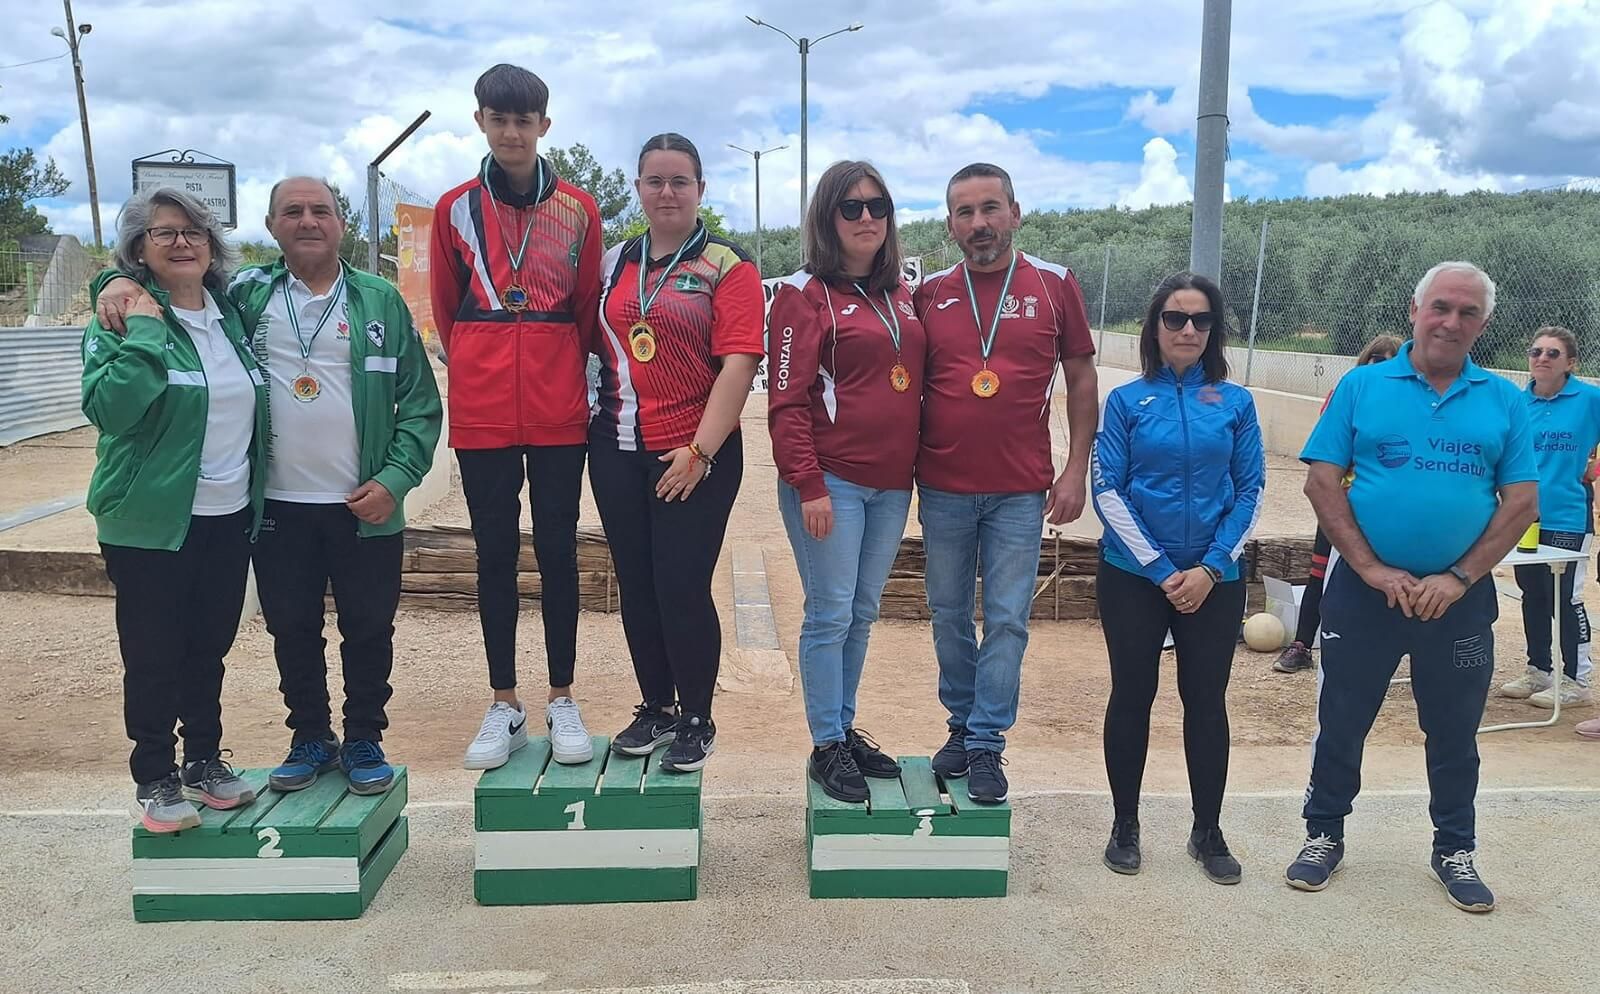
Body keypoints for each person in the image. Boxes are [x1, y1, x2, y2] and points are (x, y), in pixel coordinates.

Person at [96, 177, 444, 795]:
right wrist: (112, 279)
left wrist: (395, 479)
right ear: (271, 225)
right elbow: (163, 289)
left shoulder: (380, 301)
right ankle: (309, 735)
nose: (308, 220)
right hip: (275, 506)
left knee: (369, 628)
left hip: (366, 505)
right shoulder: (246, 297)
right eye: (293, 211)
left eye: (321, 210)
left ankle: (364, 737)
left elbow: (419, 404)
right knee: (291, 629)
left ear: (342, 223)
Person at [1285, 262, 1538, 913]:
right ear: (1415, 310)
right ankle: (1324, 834)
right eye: (1441, 307)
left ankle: (1454, 848)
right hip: (1363, 600)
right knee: (1342, 721)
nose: (1452, 322)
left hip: (1459, 609)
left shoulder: (1505, 400)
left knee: (1454, 730)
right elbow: (1321, 482)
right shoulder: (1363, 387)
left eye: (1468, 313)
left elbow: (1521, 501)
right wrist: (1370, 568)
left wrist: (1458, 578)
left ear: (1482, 324)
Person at [430, 64, 604, 770]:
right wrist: (482, 357)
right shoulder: (453, 209)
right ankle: (504, 701)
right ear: (480, 122)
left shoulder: (582, 211)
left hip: (560, 408)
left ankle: (562, 695)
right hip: (484, 411)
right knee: (494, 555)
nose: (511, 131)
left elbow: (589, 311)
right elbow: (447, 311)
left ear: (543, 125)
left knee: (559, 552)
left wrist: (555, 361)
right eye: (498, 118)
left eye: (523, 119)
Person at [82, 188, 267, 832]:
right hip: (149, 521)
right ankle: (155, 777)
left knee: (208, 646)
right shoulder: (124, 316)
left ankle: (205, 762)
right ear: (139, 248)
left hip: (228, 513)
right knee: (154, 651)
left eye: (194, 231)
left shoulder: (231, 315)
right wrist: (144, 335)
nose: (182, 242)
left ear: (212, 245)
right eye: (164, 233)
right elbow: (110, 409)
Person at [914, 163, 1098, 804]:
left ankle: (988, 743)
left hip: (1021, 490)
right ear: (949, 225)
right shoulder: (930, 294)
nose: (979, 224)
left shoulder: (1054, 285)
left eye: (990, 208)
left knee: (1009, 619)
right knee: (947, 615)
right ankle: (961, 727)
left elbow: (1080, 378)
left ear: (1015, 213)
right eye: (964, 213)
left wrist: (1075, 468)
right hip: (941, 485)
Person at [591, 133, 763, 772]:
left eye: (679, 182)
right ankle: (655, 707)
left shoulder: (727, 264)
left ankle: (696, 716)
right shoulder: (612, 262)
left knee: (682, 585)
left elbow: (739, 363)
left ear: (700, 189)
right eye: (655, 181)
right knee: (637, 586)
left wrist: (700, 450)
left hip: (696, 453)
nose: (667, 193)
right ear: (637, 188)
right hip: (616, 448)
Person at [1092, 272, 1265, 884]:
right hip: (1134, 577)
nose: (1187, 329)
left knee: (1206, 701)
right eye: (1174, 318)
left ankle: (1207, 829)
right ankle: (1125, 824)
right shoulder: (1124, 401)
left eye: (1200, 320)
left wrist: (1212, 568)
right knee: (1132, 697)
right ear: (1155, 325)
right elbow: (1106, 488)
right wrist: (1165, 571)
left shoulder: (1237, 403)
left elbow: (1250, 491)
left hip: (1214, 579)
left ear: (1214, 329)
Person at [768, 160, 925, 802]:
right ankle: (826, 744)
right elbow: (785, 400)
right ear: (827, 218)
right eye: (851, 207)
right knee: (829, 614)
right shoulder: (801, 294)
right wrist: (808, 484)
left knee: (861, 614)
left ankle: (844, 727)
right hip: (831, 483)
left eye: (878, 206)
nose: (867, 219)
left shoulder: (902, 295)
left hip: (891, 487)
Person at [1274, 333, 1403, 673]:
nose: (1383, 368)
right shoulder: (1346, 397)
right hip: (1341, 507)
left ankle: (1384, 652)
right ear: (1365, 364)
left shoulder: (1412, 406)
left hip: (1386, 513)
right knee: (1321, 574)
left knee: (1386, 576)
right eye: (1377, 360)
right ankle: (1302, 645)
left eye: (1392, 361)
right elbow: (1324, 463)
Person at [1496, 325, 1599, 709]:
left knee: (1566, 598)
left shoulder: (1590, 400)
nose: (1541, 358)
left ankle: (1577, 679)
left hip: (1568, 517)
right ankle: (1539, 668)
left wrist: (1595, 468)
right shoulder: (1517, 404)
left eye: (1552, 353)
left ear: (1570, 362)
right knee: (1533, 595)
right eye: (1535, 351)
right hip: (1523, 518)